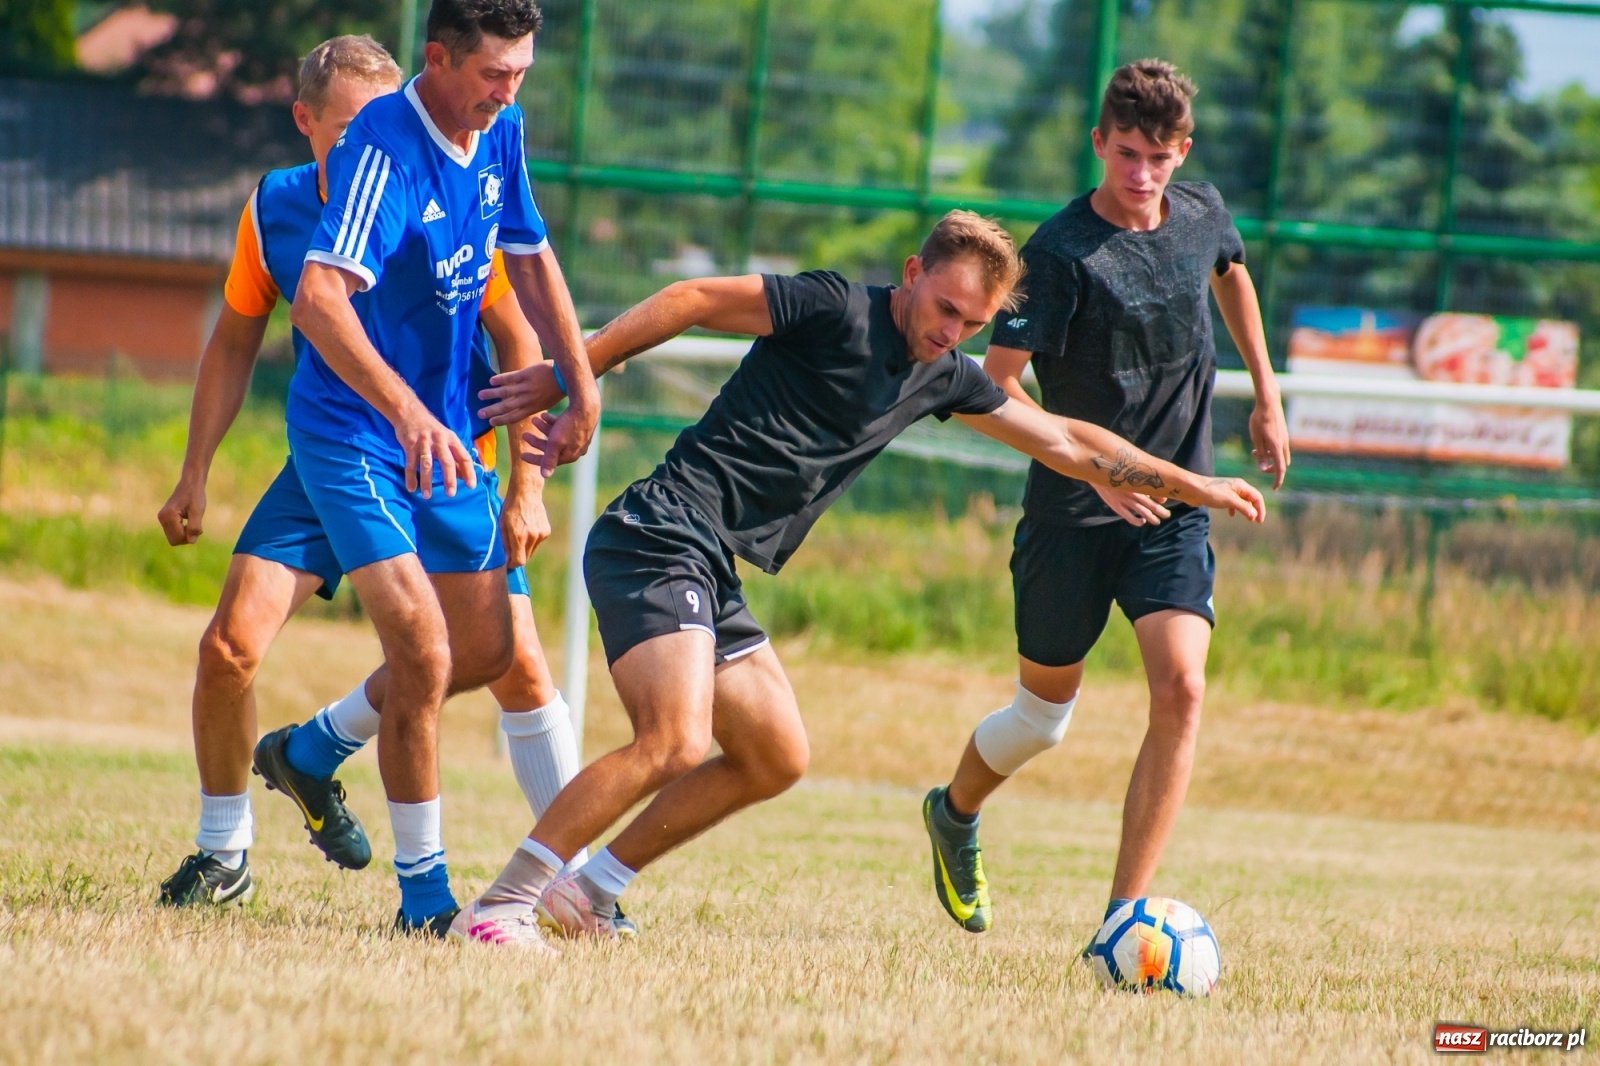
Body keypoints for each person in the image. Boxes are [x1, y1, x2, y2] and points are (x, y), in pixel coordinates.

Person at [446, 210, 1265, 946]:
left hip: (709, 562)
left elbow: (1066, 443)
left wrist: (1191, 484)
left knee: (775, 754)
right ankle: (502, 905)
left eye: (974, 324)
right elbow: (693, 297)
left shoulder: (945, 375)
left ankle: (591, 892)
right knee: (675, 740)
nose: (953, 333)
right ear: (913, 274)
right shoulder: (833, 306)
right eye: (946, 309)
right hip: (656, 533)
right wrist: (573, 372)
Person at [153, 35, 584, 917]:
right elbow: (237, 339)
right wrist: (194, 469)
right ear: (306, 123)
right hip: (340, 449)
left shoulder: (446, 163)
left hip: (443, 450)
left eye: (377, 122)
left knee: (503, 660)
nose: (366, 142)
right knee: (237, 647)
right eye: (346, 127)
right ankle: (232, 851)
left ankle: (318, 748)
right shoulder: (276, 209)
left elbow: (516, 329)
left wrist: (524, 483)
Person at [920, 59, 1291, 940]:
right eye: (1126, 154)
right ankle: (954, 811)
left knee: (1184, 689)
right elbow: (994, 388)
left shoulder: (1200, 214)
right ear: (1098, 144)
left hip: (1172, 514)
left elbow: (1231, 273)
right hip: (1073, 516)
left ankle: (1123, 917)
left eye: (1158, 157)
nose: (1141, 175)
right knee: (1042, 719)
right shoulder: (1056, 257)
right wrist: (1093, 470)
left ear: (1181, 152)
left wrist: (1267, 394)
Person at [257, 0, 599, 936]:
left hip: (446, 431)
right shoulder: (382, 148)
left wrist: (581, 385)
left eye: (522, 73)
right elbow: (320, 303)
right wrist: (404, 412)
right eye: (494, 74)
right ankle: (425, 905)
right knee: (423, 650)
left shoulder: (502, 130)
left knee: (491, 656)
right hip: (357, 433)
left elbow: (531, 260)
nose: (509, 91)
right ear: (439, 57)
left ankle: (313, 748)